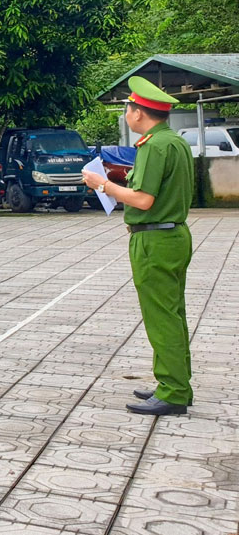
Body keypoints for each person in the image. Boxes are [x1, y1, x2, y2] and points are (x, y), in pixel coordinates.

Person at [82, 76, 196, 417]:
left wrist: (103, 185)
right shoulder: (173, 142)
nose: (127, 114)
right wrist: (117, 182)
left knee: (161, 317)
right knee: (172, 314)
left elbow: (143, 199)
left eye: (128, 108)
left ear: (138, 113)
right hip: (173, 234)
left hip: (154, 238)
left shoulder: (153, 147)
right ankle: (173, 383)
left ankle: (174, 391)